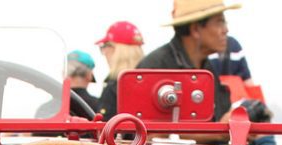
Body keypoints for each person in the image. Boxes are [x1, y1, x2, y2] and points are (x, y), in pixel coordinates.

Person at [100, 0, 236, 120]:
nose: (226, 30)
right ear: (195, 29)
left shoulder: (207, 67)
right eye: (220, 22)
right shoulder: (155, 67)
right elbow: (150, 134)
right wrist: (222, 130)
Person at [96, 21, 145, 116]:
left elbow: (105, 127)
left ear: (116, 49)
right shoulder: (149, 83)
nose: (104, 52)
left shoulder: (113, 88)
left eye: (105, 46)